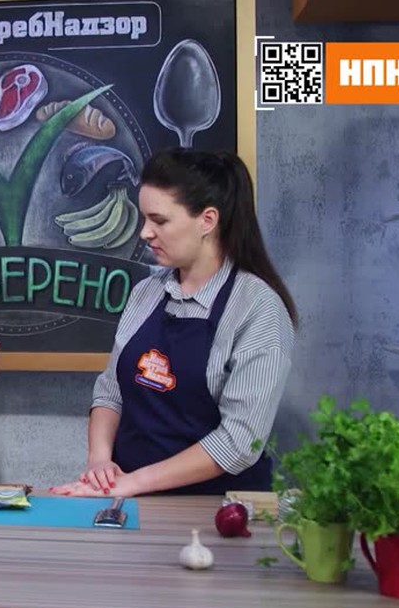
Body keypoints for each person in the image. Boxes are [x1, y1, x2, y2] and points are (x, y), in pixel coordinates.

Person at [50, 148, 296, 497]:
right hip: (129, 500)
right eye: (144, 219)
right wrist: (100, 462)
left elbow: (239, 442)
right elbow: (111, 391)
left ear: (207, 220)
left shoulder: (258, 309)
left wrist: (133, 483)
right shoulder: (146, 293)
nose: (145, 233)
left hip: (217, 509)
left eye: (160, 221)